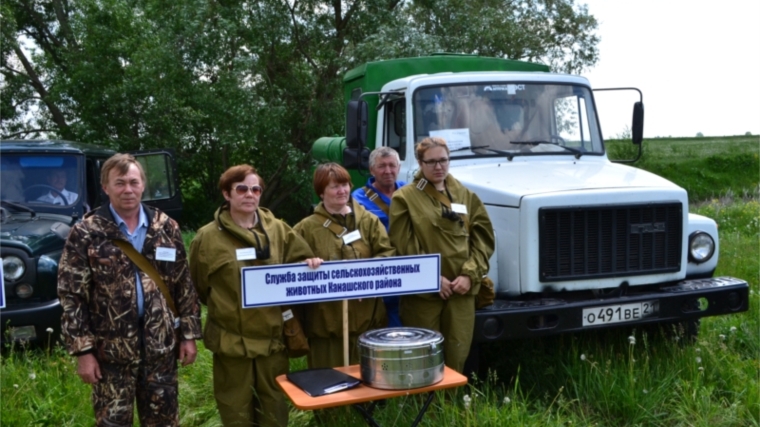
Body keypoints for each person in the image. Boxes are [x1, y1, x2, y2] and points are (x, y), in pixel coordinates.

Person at [57, 153, 202, 427]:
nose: (128, 189)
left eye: (134, 182)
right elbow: (71, 296)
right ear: (106, 187)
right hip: (110, 355)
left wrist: (189, 335)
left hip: (160, 351)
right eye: (120, 183)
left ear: (143, 185)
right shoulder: (86, 232)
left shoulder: (166, 228)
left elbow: (184, 285)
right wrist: (83, 352)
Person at [190, 164, 322, 427]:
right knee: (235, 411)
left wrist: (312, 262)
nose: (250, 194)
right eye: (242, 189)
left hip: (272, 340)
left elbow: (301, 263)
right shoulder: (206, 238)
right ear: (227, 194)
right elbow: (199, 287)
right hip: (231, 342)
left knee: (274, 410)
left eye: (255, 189)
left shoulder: (278, 229)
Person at [389, 137, 495, 374]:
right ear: (420, 163)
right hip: (425, 295)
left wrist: (469, 274)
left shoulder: (465, 195)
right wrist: (431, 278)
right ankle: (424, 407)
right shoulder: (405, 198)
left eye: (444, 160)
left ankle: (451, 407)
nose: (439, 167)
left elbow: (484, 240)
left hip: (461, 291)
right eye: (432, 162)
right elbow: (403, 246)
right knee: (424, 357)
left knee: (457, 355)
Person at [294, 163, 395, 368]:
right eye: (334, 187)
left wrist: (366, 280)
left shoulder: (369, 221)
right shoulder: (305, 228)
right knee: (329, 385)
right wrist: (304, 264)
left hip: (368, 321)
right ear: (321, 193)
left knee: (369, 385)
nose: (342, 191)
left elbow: (387, 254)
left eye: (345, 185)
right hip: (326, 327)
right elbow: (289, 265)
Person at [351, 146, 406, 327]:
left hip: (408, 267)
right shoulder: (358, 199)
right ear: (371, 169)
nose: (388, 171)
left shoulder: (409, 192)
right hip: (380, 268)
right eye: (382, 166)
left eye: (392, 165)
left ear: (399, 168)